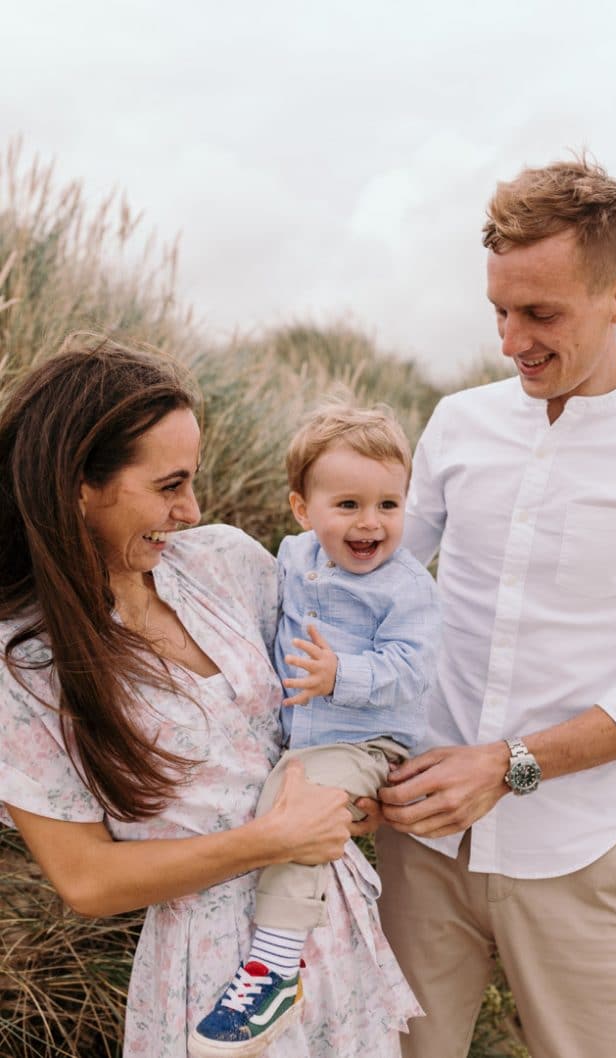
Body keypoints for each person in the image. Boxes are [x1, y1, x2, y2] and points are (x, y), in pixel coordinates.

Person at [0, 335, 422, 1058]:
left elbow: (311, 722)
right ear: (78, 485)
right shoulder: (25, 665)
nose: (192, 510)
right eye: (168, 487)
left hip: (334, 927)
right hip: (215, 978)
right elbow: (87, 880)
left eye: (192, 481)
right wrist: (268, 840)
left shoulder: (229, 564)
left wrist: (369, 790)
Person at [375, 156, 616, 1058]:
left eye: (541, 314)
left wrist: (508, 764)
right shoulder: (457, 423)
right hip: (418, 845)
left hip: (576, 854)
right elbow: (376, 588)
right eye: (499, 310)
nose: (511, 340)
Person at [191, 402, 439, 1055]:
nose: (370, 522)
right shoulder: (294, 557)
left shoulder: (406, 586)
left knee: (294, 812)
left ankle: (272, 970)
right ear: (303, 509)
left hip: (367, 740)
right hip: (304, 735)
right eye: (349, 504)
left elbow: (413, 670)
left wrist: (341, 676)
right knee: (276, 806)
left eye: (389, 505)